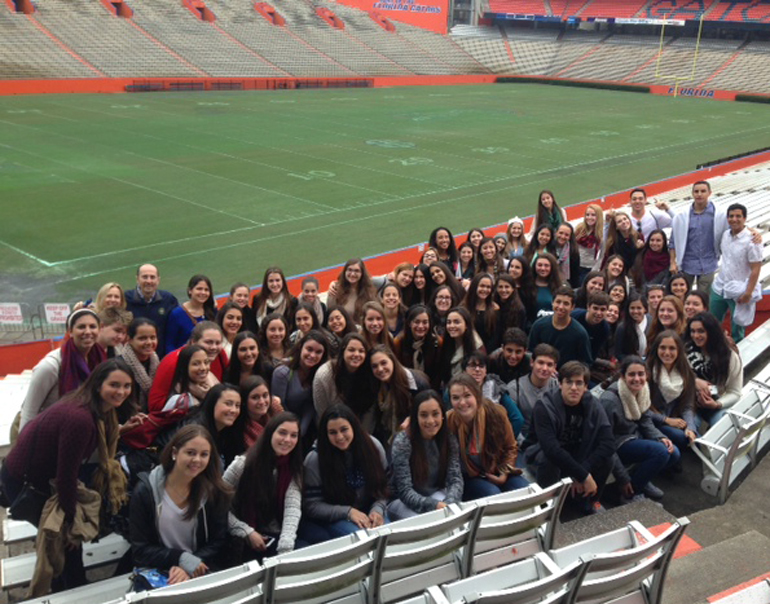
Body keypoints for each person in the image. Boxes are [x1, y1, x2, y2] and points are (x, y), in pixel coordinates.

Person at [2, 359, 132, 591]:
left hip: (35, 476)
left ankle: (67, 584)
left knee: (67, 541)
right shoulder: (80, 419)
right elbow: (66, 476)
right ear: (98, 385)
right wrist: (71, 519)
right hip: (25, 482)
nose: (121, 392)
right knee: (67, 539)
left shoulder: (90, 406)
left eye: (126, 386)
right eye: (114, 385)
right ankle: (71, 588)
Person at [129, 425, 231, 584]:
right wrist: (180, 558)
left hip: (200, 567)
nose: (197, 460)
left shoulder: (214, 491)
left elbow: (218, 540)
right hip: (161, 569)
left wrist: (191, 564)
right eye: (190, 453)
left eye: (204, 454)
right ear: (175, 453)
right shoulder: (145, 491)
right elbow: (140, 549)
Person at [522, 361, 614, 514]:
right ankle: (547, 509)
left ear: (586, 387)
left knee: (607, 459)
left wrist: (582, 471)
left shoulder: (593, 404)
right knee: (549, 460)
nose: (573, 388)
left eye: (579, 383)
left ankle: (587, 501)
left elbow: (609, 443)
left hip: (577, 454)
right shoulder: (544, 406)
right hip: (541, 454)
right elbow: (551, 449)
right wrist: (582, 475)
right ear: (560, 384)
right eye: (569, 382)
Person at [300, 405, 388, 543]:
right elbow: (311, 505)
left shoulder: (373, 447)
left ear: (354, 427)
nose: (340, 437)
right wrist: (348, 512)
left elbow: (385, 488)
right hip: (335, 517)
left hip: (369, 510)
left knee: (386, 535)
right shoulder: (315, 459)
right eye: (333, 432)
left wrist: (378, 509)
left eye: (344, 429)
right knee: (363, 540)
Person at [600, 356, 680, 503]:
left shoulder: (642, 391)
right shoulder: (609, 401)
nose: (637, 379)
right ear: (623, 376)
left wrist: (660, 437)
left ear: (646, 375)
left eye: (641, 374)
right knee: (660, 452)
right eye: (631, 374)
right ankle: (629, 493)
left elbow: (645, 419)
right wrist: (622, 477)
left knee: (673, 452)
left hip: (635, 436)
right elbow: (605, 443)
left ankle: (640, 479)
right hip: (617, 444)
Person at [225, 413, 303, 559]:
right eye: (282, 433)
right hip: (242, 535)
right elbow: (218, 506)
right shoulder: (242, 464)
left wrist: (285, 548)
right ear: (270, 433)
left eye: (294, 435)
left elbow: (292, 508)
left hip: (274, 532)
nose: (287, 440)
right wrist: (246, 531)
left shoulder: (292, 467)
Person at [18, 308, 106, 434]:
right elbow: (29, 411)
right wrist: (23, 447)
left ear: (99, 329)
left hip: (80, 432)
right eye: (81, 327)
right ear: (70, 332)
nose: (88, 332)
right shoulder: (50, 367)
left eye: (92, 326)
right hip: (49, 433)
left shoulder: (99, 359)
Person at [446, 374, 527, 500]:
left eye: (467, 396)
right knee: (493, 495)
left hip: (498, 468)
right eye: (455, 398)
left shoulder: (496, 413)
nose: (462, 403)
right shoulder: (448, 420)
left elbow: (510, 447)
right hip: (470, 476)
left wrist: (503, 475)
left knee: (524, 490)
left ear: (477, 396)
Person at [388, 391, 463, 520]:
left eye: (435, 414)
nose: (430, 421)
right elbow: (404, 491)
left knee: (451, 517)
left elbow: (455, 479)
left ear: (442, 415)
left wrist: (449, 503)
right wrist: (434, 506)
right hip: (402, 501)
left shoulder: (448, 439)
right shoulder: (403, 442)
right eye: (424, 415)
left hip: (435, 494)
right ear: (416, 418)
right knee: (427, 523)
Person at [147, 322, 227, 415]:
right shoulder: (173, 362)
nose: (214, 347)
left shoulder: (220, 355)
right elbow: (154, 406)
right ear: (193, 341)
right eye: (208, 342)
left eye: (218, 343)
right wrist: (185, 404)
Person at [710, 202, 763, 343]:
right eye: (731, 216)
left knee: (738, 329)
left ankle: (738, 357)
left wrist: (748, 293)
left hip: (738, 290)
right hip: (720, 286)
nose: (734, 219)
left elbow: (756, 268)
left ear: (744, 218)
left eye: (738, 216)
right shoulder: (725, 235)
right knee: (712, 322)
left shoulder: (752, 241)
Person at [271, 331, 329, 453]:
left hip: (304, 432)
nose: (312, 355)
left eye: (318, 352)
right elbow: (278, 408)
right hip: (282, 428)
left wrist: (301, 430)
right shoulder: (282, 372)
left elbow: (311, 405)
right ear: (300, 348)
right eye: (309, 349)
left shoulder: (319, 375)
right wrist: (293, 430)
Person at [669, 180, 728, 295]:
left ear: (709, 193)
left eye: (703, 191)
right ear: (692, 194)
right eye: (696, 191)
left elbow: (732, 229)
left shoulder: (719, 214)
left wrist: (750, 231)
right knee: (683, 296)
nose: (699, 194)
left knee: (704, 298)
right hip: (687, 263)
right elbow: (673, 241)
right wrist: (673, 262)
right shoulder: (682, 215)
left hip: (708, 263)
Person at [685, 312, 743, 428]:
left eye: (701, 331)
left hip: (717, 402)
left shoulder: (729, 357)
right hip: (690, 403)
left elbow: (735, 392)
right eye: (693, 331)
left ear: (711, 332)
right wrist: (694, 381)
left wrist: (716, 404)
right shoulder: (686, 351)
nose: (696, 336)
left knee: (722, 426)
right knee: (689, 427)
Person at [313, 333, 376, 432]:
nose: (356, 354)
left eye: (361, 351)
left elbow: (369, 413)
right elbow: (322, 411)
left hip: (360, 429)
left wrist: (363, 437)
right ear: (343, 351)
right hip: (330, 427)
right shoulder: (324, 375)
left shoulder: (369, 374)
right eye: (351, 350)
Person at [646, 331, 698, 451]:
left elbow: (687, 406)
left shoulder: (686, 373)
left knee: (694, 438)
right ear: (656, 349)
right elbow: (643, 409)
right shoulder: (647, 371)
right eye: (663, 348)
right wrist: (667, 420)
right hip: (653, 422)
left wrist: (690, 427)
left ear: (679, 351)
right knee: (681, 438)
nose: (667, 353)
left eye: (672, 348)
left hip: (676, 418)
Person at [369, 345, 429, 444]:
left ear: (393, 360)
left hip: (415, 438)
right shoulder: (378, 385)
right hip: (389, 437)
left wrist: (412, 419)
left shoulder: (417, 383)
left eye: (384, 363)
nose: (380, 369)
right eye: (375, 366)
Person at [462, 351, 524, 438]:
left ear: (486, 370)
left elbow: (517, 419)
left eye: (481, 366)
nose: (477, 369)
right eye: (472, 366)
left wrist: (504, 441)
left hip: (494, 438)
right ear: (464, 370)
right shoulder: (456, 390)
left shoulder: (496, 388)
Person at [528, 287, 592, 369]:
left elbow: (586, 363)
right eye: (558, 302)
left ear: (572, 307)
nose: (561, 307)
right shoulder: (539, 325)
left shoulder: (580, 333)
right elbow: (530, 352)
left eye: (566, 304)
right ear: (552, 303)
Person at [124, 264, 179, 358]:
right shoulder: (125, 299)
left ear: (158, 280)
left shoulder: (168, 299)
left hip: (160, 357)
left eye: (152, 277)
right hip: (132, 357)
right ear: (137, 279)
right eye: (145, 277)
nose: (149, 281)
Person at [510, 344, 559, 440]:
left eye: (549, 365)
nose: (544, 368)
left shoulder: (558, 387)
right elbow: (510, 423)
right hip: (522, 442)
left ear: (554, 367)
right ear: (532, 362)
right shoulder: (514, 388)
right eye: (540, 363)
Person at [394, 305, 443, 389]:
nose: (420, 326)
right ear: (409, 323)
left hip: (431, 388)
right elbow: (398, 370)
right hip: (406, 386)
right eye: (417, 322)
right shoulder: (399, 342)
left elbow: (438, 372)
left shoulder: (437, 342)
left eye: (425, 322)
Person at [165, 275, 216, 355]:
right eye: (199, 289)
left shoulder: (212, 311)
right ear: (190, 290)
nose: (203, 292)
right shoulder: (177, 314)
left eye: (206, 290)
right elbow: (169, 344)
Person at [116, 318, 160, 412]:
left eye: (152, 338)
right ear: (129, 339)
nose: (149, 342)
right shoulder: (119, 366)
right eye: (142, 338)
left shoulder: (157, 364)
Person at [571, 292, 614, 384]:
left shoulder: (604, 329)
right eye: (595, 308)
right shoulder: (575, 316)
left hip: (582, 362)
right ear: (588, 307)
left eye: (603, 310)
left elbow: (592, 355)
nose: (598, 313)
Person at [437, 307, 485, 386]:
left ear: (466, 325)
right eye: (449, 322)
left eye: (456, 322)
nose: (452, 326)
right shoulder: (446, 343)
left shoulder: (477, 348)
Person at [326, 259, 377, 323]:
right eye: (349, 270)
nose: (352, 274)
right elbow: (330, 313)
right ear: (345, 272)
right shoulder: (335, 290)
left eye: (357, 271)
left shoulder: (369, 292)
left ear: (362, 273)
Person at [240, 376, 284, 449]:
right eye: (255, 397)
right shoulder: (240, 429)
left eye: (265, 395)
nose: (262, 401)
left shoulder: (276, 411)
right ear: (244, 401)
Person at [463, 273, 501, 352]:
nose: (485, 289)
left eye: (488, 287)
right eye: (482, 286)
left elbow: (496, 336)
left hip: (487, 353)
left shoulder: (495, 308)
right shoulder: (464, 307)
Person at [614, 293, 648, 361]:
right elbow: (618, 353)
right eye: (632, 308)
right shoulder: (622, 328)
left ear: (645, 309)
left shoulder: (651, 323)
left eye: (639, 308)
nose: (635, 311)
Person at [574, 204, 603, 284]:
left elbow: (601, 256)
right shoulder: (579, 229)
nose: (589, 217)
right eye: (587, 215)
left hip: (588, 269)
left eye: (593, 215)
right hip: (575, 265)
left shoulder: (600, 235)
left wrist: (593, 270)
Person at [532, 253, 563, 317]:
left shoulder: (559, 287)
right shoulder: (528, 286)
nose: (543, 268)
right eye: (540, 265)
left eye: (546, 266)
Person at [554, 222, 581, 288]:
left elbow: (575, 275)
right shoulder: (548, 248)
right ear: (556, 233)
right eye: (560, 233)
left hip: (566, 285)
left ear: (570, 237)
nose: (563, 236)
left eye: (566, 235)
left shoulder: (573, 252)